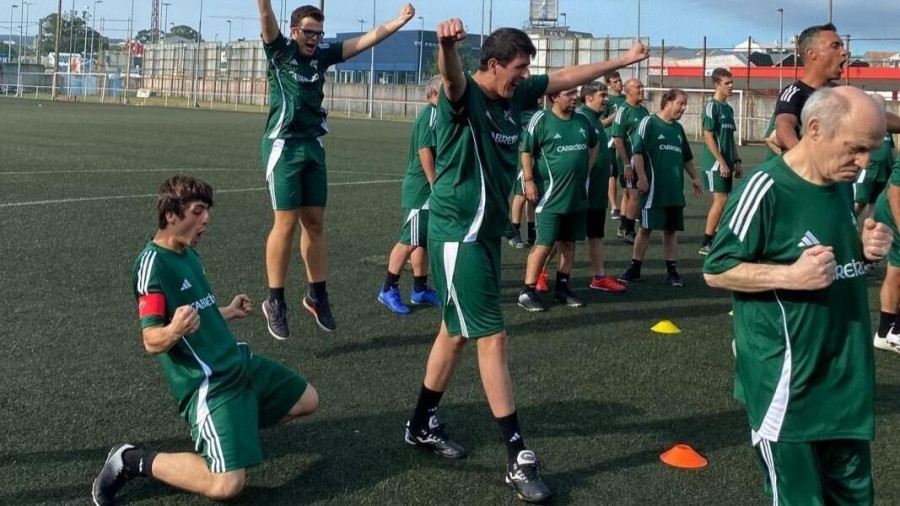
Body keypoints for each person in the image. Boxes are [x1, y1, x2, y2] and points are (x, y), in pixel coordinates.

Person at [402, 19, 647, 504]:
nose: (525, 75)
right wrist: (446, 46)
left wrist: (621, 60)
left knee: (454, 333)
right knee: (492, 336)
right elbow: (450, 76)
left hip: (485, 237)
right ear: (491, 65)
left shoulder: (513, 97)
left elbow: (566, 77)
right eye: (518, 68)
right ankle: (517, 455)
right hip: (458, 235)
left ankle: (419, 423)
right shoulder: (466, 96)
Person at [704, 87, 892, 506]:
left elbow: (836, 262)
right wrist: (791, 275)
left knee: (855, 498)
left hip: (846, 380)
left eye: (871, 153)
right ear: (814, 129)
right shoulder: (765, 188)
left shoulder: (841, 185)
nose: (863, 164)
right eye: (856, 149)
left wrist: (863, 250)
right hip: (788, 387)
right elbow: (716, 270)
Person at [92, 176, 319, 506]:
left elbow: (197, 311)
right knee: (226, 486)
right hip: (210, 385)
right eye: (197, 211)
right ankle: (130, 459)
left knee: (307, 400)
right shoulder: (152, 265)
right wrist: (174, 331)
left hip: (238, 364)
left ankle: (233, 437)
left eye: (206, 211)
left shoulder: (188, 254)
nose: (206, 219)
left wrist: (225, 311)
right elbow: (151, 339)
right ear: (171, 215)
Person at [257, 1, 416, 339]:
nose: (313, 39)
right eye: (307, 32)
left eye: (318, 33)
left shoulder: (322, 56)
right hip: (284, 146)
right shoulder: (280, 52)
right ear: (294, 31)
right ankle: (275, 301)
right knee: (285, 223)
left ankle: (317, 295)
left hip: (313, 145)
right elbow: (266, 16)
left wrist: (399, 21)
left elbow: (367, 40)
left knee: (314, 222)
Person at [516, 87, 599, 312]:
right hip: (550, 197)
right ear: (554, 96)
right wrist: (530, 180)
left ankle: (562, 288)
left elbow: (594, 145)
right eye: (569, 93)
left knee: (569, 243)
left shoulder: (582, 120)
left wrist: (586, 171)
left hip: (577, 195)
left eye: (575, 94)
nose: (574, 98)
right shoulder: (541, 119)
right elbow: (525, 150)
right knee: (544, 244)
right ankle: (527, 291)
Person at [617, 89, 702, 286]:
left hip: (674, 189)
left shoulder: (678, 129)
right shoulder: (649, 122)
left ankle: (672, 271)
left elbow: (686, 157)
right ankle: (635, 268)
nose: (684, 108)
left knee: (670, 230)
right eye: (681, 103)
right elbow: (637, 152)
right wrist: (642, 177)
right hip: (654, 189)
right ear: (668, 102)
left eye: (685, 104)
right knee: (646, 228)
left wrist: (695, 177)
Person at [378, 76, 443, 314]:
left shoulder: (438, 114)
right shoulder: (431, 115)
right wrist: (435, 184)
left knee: (420, 241)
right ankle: (388, 288)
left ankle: (420, 289)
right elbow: (425, 150)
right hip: (421, 190)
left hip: (425, 189)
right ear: (435, 93)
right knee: (408, 240)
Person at [577, 81, 627, 292]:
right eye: (602, 95)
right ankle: (539, 277)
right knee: (561, 237)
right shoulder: (581, 118)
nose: (606, 99)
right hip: (582, 192)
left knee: (596, 234)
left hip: (597, 193)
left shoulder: (595, 119)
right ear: (589, 98)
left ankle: (599, 277)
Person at [699, 68, 742, 256]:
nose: (731, 86)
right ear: (717, 85)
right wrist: (722, 162)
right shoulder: (711, 107)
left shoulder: (728, 108)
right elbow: (707, 136)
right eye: (727, 83)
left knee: (725, 200)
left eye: (732, 82)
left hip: (727, 162)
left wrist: (737, 160)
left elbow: (730, 138)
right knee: (721, 199)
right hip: (715, 163)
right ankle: (706, 242)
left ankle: (716, 239)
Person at [610, 78, 649, 244]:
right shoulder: (623, 111)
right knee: (634, 194)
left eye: (642, 86)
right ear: (628, 91)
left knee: (628, 194)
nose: (642, 89)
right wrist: (626, 163)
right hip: (630, 161)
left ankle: (623, 227)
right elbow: (617, 139)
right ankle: (630, 231)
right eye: (638, 87)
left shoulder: (644, 111)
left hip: (642, 159)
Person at [872, 155, 900, 352]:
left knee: (896, 270)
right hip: (894, 210)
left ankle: (884, 333)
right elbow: (895, 190)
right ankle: (897, 332)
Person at [854, 94, 896, 219]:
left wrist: (892, 165)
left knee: (875, 203)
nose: (882, 108)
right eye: (879, 105)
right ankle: (849, 224)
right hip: (869, 169)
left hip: (885, 170)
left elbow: (891, 148)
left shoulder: (887, 126)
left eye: (883, 105)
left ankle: (867, 233)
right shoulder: (863, 123)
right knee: (860, 201)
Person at [508, 99, 542, 250]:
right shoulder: (518, 112)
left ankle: (531, 232)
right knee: (521, 195)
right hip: (524, 155)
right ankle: (514, 231)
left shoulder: (540, 110)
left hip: (538, 156)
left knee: (532, 196)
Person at [601, 72, 626, 219]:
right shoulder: (607, 100)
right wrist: (615, 116)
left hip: (625, 142)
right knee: (612, 174)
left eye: (620, 80)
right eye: (615, 81)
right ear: (609, 84)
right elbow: (601, 123)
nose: (619, 84)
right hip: (610, 141)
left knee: (627, 174)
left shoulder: (626, 99)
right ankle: (614, 207)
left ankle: (628, 207)